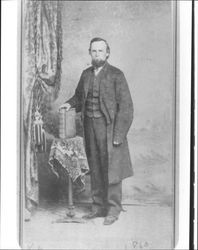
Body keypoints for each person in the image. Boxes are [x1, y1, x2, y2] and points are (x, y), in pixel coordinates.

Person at [60, 37, 134, 225]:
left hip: (110, 130)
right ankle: (98, 206)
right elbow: (78, 97)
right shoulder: (86, 74)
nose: (97, 54)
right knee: (95, 167)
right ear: (90, 53)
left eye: (101, 51)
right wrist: (68, 104)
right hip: (90, 128)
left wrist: (119, 134)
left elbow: (126, 107)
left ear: (107, 53)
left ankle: (113, 209)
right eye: (94, 51)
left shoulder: (117, 75)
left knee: (112, 168)